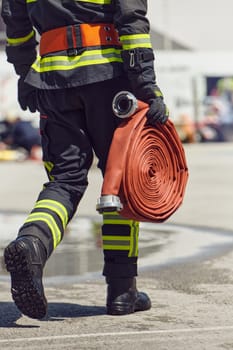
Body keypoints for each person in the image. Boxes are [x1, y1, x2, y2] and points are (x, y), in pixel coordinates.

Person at [1, 0, 169, 319]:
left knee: (64, 181)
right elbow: (132, 21)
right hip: (110, 79)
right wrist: (147, 86)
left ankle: (32, 244)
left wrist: (26, 75)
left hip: (52, 81)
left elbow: (16, 25)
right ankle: (121, 290)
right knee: (121, 183)